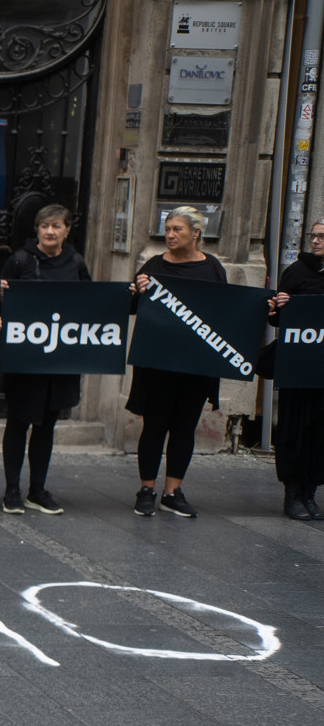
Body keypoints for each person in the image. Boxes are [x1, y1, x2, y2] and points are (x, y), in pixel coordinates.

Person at [129, 207, 227, 518]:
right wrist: (136, 291)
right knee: (155, 426)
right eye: (168, 229)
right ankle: (147, 489)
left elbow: (226, 311)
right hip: (157, 365)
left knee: (185, 428)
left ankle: (173, 491)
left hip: (196, 366)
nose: (170, 235)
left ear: (196, 233)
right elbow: (133, 308)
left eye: (177, 230)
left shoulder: (212, 268)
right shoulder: (154, 266)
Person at [0, 204, 89, 515]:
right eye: (44, 226)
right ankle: (12, 489)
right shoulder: (19, 260)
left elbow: (93, 305)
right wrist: (1, 296)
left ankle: (37, 489)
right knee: (18, 423)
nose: (50, 232)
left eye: (56, 226)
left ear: (67, 230)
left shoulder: (75, 263)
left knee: (47, 426)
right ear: (37, 230)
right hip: (25, 360)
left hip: (59, 360)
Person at [271, 225, 321, 519]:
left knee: (320, 432)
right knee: (294, 428)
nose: (315, 241)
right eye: (313, 236)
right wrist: (279, 307)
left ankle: (310, 493)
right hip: (297, 366)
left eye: (322, 236)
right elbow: (275, 319)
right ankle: (292, 493)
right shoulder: (296, 273)